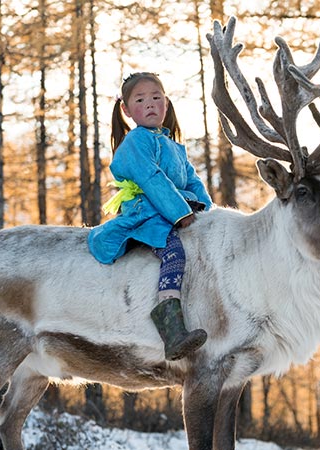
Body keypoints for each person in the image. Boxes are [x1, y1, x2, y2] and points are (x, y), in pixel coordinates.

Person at [88, 72, 213, 361]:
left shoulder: (173, 145)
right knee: (174, 253)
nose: (150, 104)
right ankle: (172, 330)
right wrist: (180, 214)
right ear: (127, 110)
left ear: (166, 104)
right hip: (149, 215)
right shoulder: (135, 142)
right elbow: (151, 178)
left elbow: (192, 182)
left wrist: (209, 212)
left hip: (171, 210)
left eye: (156, 98)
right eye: (141, 100)